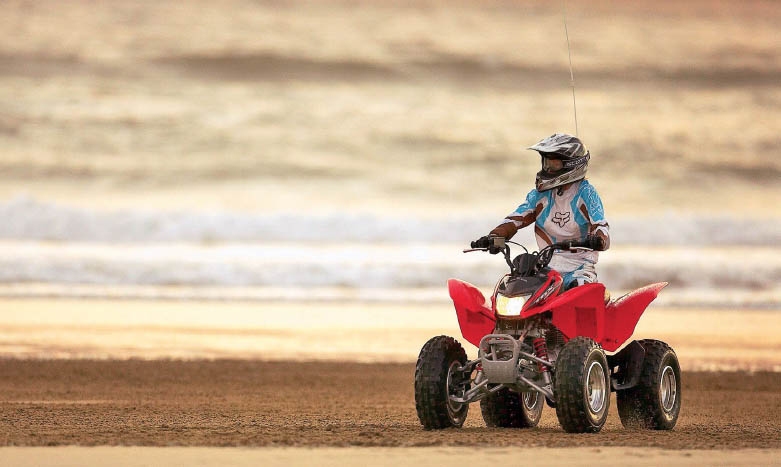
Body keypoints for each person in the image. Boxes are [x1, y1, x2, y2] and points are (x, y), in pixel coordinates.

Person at [473, 133, 610, 290]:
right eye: (546, 163)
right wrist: (494, 237)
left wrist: (598, 240)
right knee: (516, 286)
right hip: (546, 267)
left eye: (554, 164)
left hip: (579, 268)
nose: (548, 169)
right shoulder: (539, 195)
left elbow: (601, 225)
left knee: (579, 288)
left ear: (572, 164)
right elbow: (515, 219)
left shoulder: (586, 193)